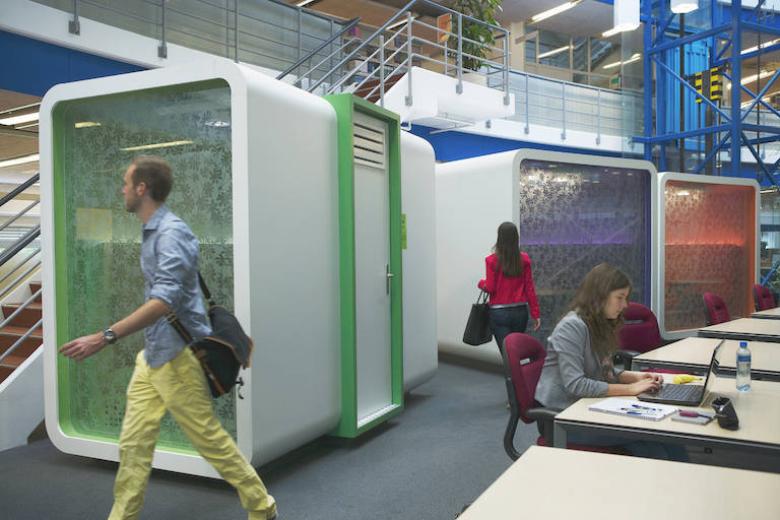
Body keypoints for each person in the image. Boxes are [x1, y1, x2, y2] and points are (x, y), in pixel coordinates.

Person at [59, 156, 277, 520]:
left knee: (210, 440)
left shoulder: (172, 233)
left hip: (180, 357)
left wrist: (104, 336)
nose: (123, 189)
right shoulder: (153, 231)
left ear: (142, 188)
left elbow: (163, 301)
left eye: (127, 183)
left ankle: (262, 505)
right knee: (133, 444)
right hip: (154, 355)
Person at [535, 263, 687, 461]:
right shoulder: (571, 327)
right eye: (620, 298)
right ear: (600, 296)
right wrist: (631, 389)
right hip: (564, 418)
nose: (624, 305)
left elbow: (606, 372)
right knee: (653, 443)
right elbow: (576, 384)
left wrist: (637, 377)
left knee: (665, 438)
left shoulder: (598, 324)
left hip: (586, 408)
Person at [477, 221, 541, 353]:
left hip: (499, 313)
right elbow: (529, 288)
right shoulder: (524, 259)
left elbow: (490, 287)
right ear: (516, 238)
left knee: (507, 355)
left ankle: (511, 374)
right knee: (516, 353)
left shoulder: (491, 260)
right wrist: (536, 313)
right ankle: (517, 374)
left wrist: (480, 283)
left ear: (499, 238)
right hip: (520, 312)